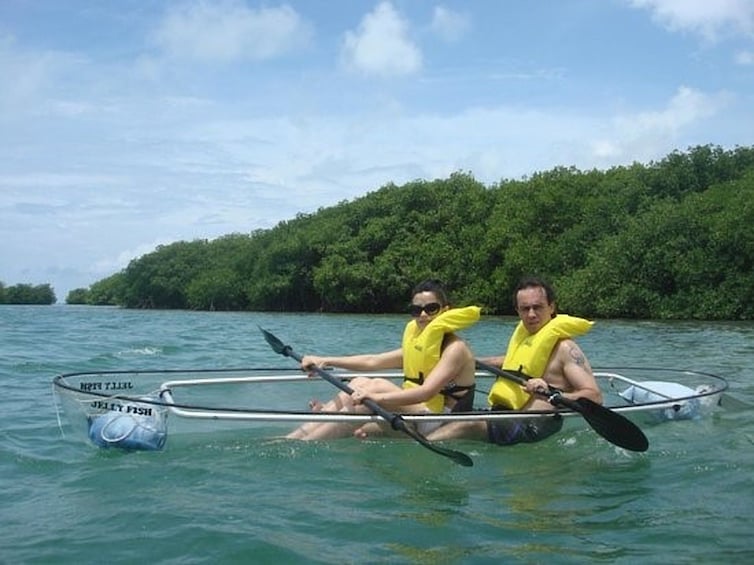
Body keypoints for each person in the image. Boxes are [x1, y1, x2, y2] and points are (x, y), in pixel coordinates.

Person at [286, 279, 481, 441]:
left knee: (371, 392)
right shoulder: (420, 345)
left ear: (445, 311)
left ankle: (306, 443)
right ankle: (295, 437)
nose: (423, 315)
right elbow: (373, 361)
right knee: (360, 382)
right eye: (416, 310)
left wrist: (375, 399)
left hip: (440, 420)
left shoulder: (455, 349)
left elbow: (425, 392)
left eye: (431, 309)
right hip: (417, 411)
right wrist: (325, 360)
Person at [427, 276, 602, 445]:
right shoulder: (526, 339)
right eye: (525, 309)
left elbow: (594, 396)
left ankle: (423, 446)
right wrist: (465, 361)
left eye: (538, 307)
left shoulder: (566, 348)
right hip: (504, 416)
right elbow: (512, 364)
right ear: (518, 311)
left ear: (551, 307)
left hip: (533, 425)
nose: (531, 314)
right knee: (454, 415)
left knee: (467, 425)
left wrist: (555, 394)